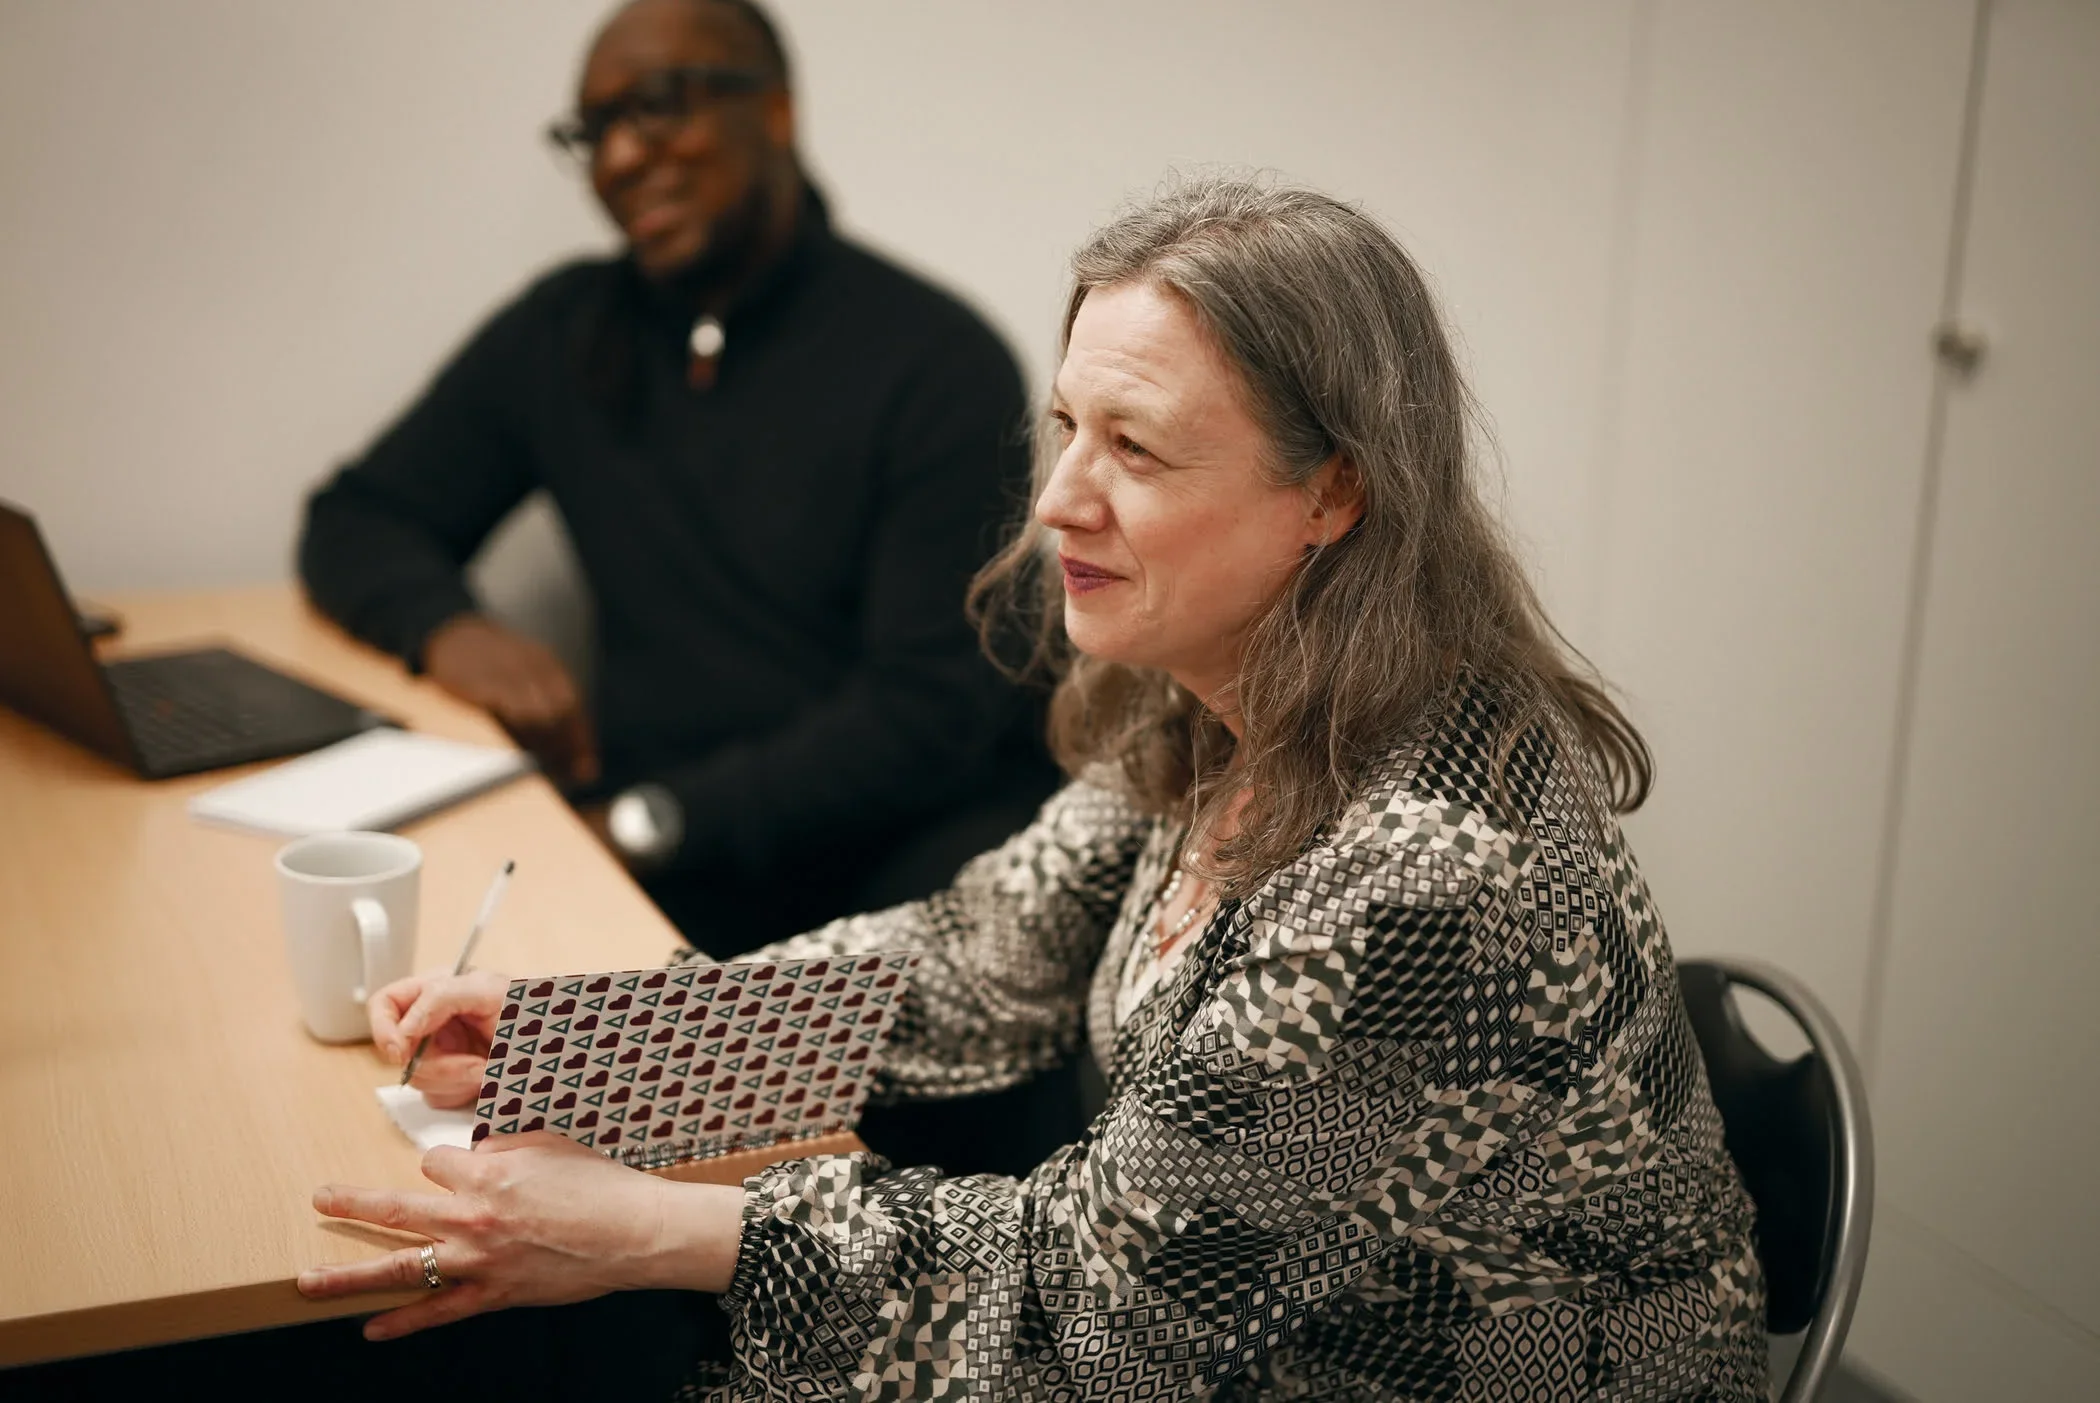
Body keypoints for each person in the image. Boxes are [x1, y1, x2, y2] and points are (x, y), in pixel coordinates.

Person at [299, 178, 1770, 1400]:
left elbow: (1100, 1313)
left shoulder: (1426, 869)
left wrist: (658, 1226)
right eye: (1068, 426)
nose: (1061, 495)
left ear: (1331, 494)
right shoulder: (1222, 697)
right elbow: (969, 957)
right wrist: (589, 1042)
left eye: (1134, 446)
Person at [297, 0, 1055, 960]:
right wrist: (447, 628)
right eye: (594, 130)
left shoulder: (937, 359)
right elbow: (358, 515)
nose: (616, 161)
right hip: (652, 866)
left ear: (776, 112)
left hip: (881, 876)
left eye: (656, 107)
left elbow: (930, 712)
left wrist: (650, 821)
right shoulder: (567, 333)